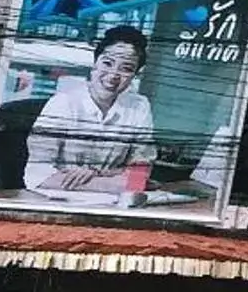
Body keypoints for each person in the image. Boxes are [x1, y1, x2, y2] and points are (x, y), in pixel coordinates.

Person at [24, 24, 156, 195]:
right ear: (95, 62)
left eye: (126, 69)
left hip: (113, 205)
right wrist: (113, 183)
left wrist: (96, 173)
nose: (114, 75)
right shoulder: (62, 104)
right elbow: (36, 176)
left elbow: (139, 175)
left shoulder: (139, 106)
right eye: (107, 63)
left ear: (135, 75)